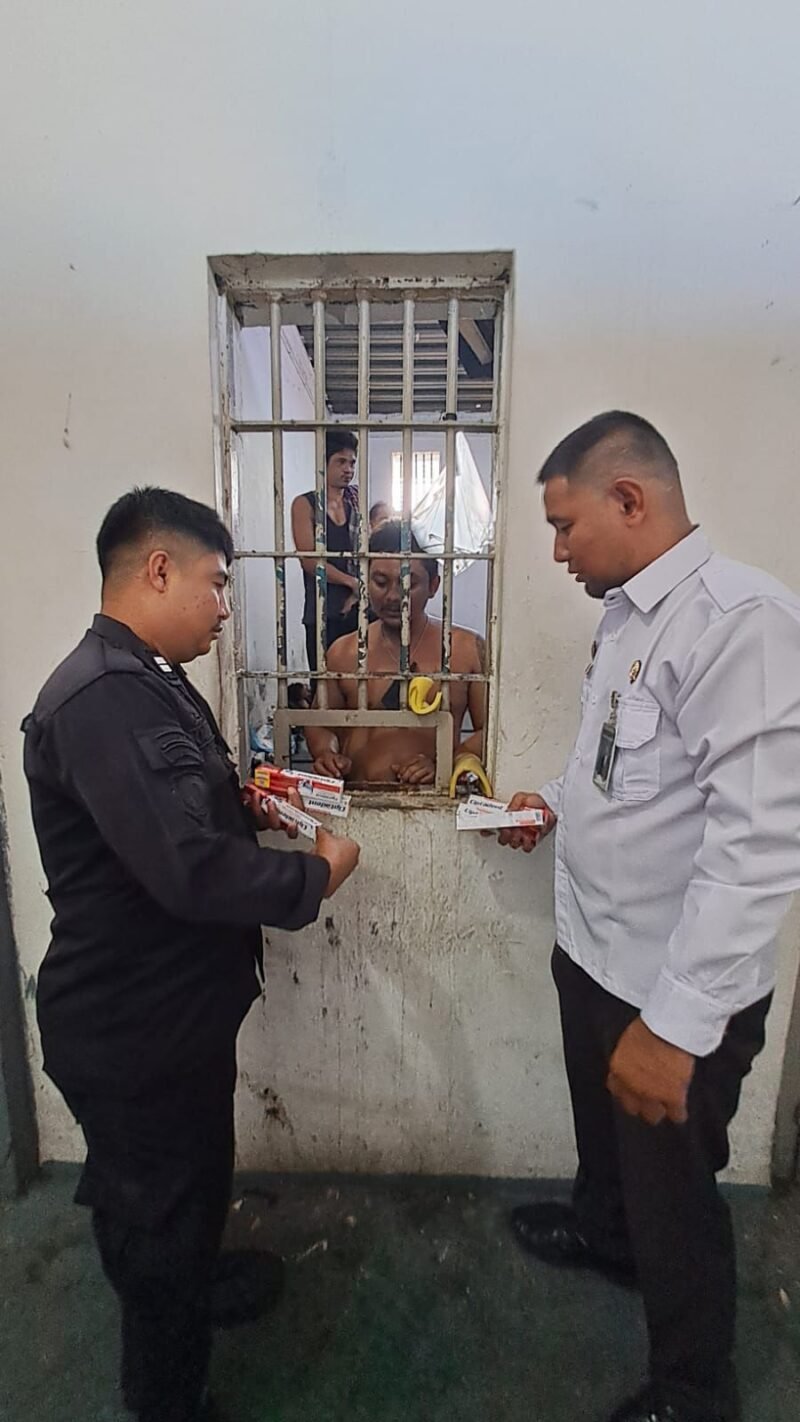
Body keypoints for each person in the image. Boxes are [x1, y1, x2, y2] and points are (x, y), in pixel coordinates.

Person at [22, 487, 360, 1422]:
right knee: (155, 1212)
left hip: (172, 1010)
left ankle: (194, 1282)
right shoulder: (103, 697)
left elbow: (168, 816)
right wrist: (319, 875)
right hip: (130, 1023)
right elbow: (187, 870)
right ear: (158, 569)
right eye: (215, 583)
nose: (223, 606)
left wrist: (240, 803)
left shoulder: (148, 678)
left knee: (193, 1178)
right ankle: (164, 1395)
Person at [494, 412, 800, 1422]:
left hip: (671, 991)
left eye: (564, 525)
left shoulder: (739, 624)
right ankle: (605, 1235)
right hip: (596, 953)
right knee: (608, 1144)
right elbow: (621, 768)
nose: (557, 551)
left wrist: (673, 1029)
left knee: (674, 1195)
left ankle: (693, 1391)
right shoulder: (628, 616)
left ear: (628, 500)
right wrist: (552, 801)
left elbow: (758, 844)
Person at [305, 519, 486, 785]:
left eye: (407, 584)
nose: (392, 596)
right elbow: (319, 722)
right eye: (380, 582)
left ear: (434, 586)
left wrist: (445, 764)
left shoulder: (465, 650)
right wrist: (326, 753)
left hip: (436, 800)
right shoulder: (344, 652)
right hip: (357, 798)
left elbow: (489, 731)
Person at [291, 429, 361, 672]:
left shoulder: (356, 503)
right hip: (322, 612)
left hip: (359, 610)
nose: (348, 469)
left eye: (352, 463)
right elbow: (309, 561)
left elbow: (370, 553)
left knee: (360, 684)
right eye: (341, 461)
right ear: (324, 464)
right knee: (323, 683)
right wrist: (351, 582)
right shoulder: (305, 504)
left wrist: (358, 593)